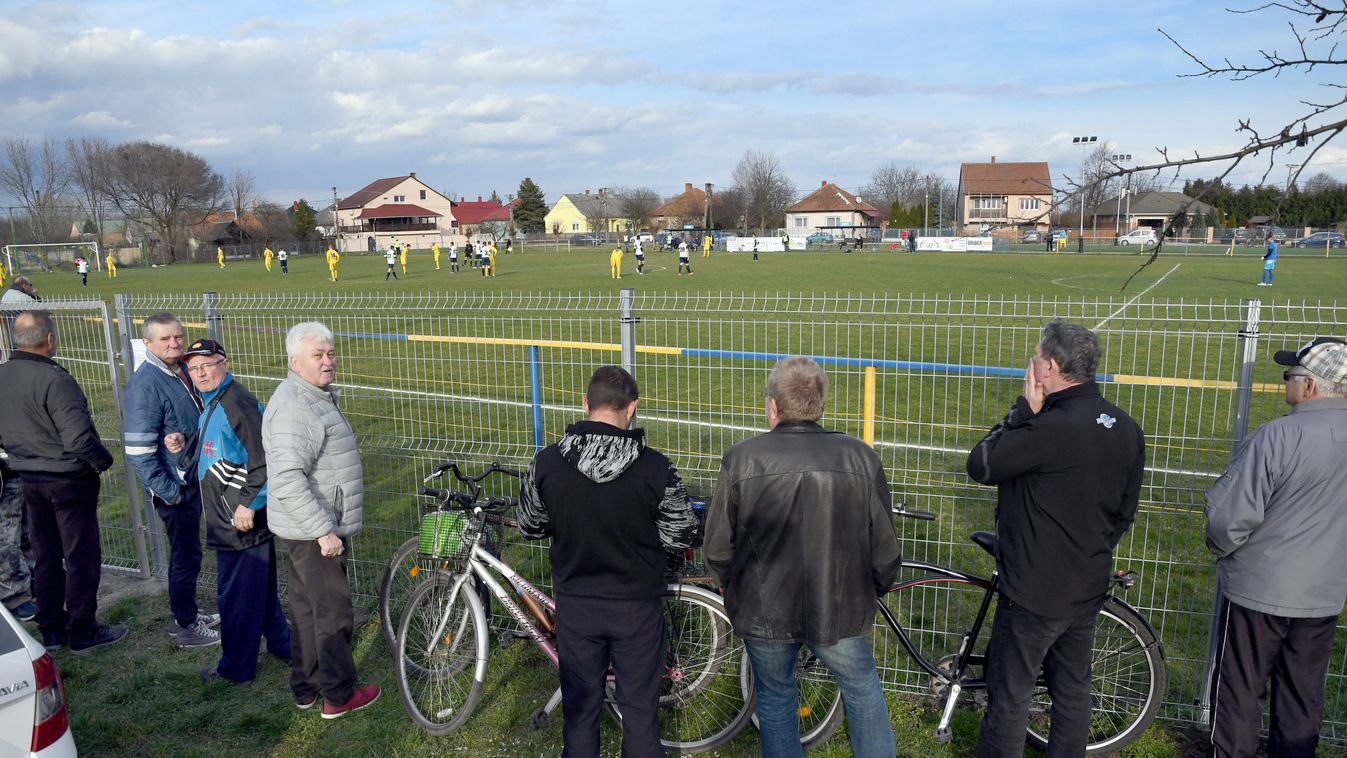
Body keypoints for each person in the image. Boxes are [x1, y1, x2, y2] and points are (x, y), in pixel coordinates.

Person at [704, 356, 901, 757]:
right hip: (841, 605)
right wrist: (873, 588)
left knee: (777, 697)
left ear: (773, 406)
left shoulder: (742, 458)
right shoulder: (859, 456)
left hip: (765, 608)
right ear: (820, 404)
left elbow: (718, 547)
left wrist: (727, 582)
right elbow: (885, 547)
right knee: (861, 689)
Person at [965, 320, 1144, 757]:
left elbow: (981, 464)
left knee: (1010, 695)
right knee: (1072, 690)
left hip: (1033, 591)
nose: (1030, 363)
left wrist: (1022, 412)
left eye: (1036, 356)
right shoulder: (1125, 427)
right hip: (1087, 583)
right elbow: (1124, 512)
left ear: (1050, 367)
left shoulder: (1047, 428)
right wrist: (1089, 551)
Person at [518, 366, 698, 757]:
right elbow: (680, 534)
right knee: (640, 717)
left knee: (580, 715)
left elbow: (530, 526)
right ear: (632, 408)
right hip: (637, 608)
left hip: (577, 604)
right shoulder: (656, 467)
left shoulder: (547, 462)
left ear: (586, 403)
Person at [1204, 337, 1347, 757]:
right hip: (1323, 594)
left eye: (1290, 375)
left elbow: (1229, 518)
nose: (1286, 382)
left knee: (1239, 690)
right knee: (1303, 694)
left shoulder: (1277, 436)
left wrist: (1222, 547)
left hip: (1259, 589)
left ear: (1311, 385)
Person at [262, 321, 379, 718]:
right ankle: (339, 695)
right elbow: (287, 478)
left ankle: (306, 686)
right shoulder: (297, 407)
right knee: (332, 613)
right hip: (314, 529)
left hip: (304, 527)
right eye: (318, 355)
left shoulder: (311, 396)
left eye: (330, 353)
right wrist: (323, 531)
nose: (328, 361)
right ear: (295, 361)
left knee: (307, 609)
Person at [0, 311, 125, 654]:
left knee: (46, 555)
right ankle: (83, 630)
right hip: (67, 478)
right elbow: (78, 439)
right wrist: (104, 461)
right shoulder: (56, 379)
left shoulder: (4, 375)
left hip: (29, 477)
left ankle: (52, 629)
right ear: (50, 338)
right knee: (80, 555)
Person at [175, 339, 292, 684]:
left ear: (224, 364)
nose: (200, 373)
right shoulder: (215, 400)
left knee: (236, 597)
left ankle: (235, 669)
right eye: (194, 368)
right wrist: (185, 442)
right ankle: (284, 645)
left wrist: (248, 504)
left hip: (239, 521)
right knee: (259, 589)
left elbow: (265, 460)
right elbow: (223, 450)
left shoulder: (236, 404)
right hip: (229, 517)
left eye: (207, 365)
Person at [123, 313, 220, 647]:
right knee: (185, 555)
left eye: (178, 336)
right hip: (175, 488)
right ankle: (184, 624)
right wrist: (170, 492)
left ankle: (188, 612)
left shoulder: (179, 369)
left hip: (192, 478)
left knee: (190, 553)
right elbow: (138, 452)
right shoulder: (146, 384)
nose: (175, 343)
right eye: (165, 339)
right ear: (147, 343)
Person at [0, 448, 37, 622]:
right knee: (6, 536)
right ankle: (15, 596)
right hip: (4, 472)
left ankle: (35, 582)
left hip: (23, 464)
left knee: (29, 531)